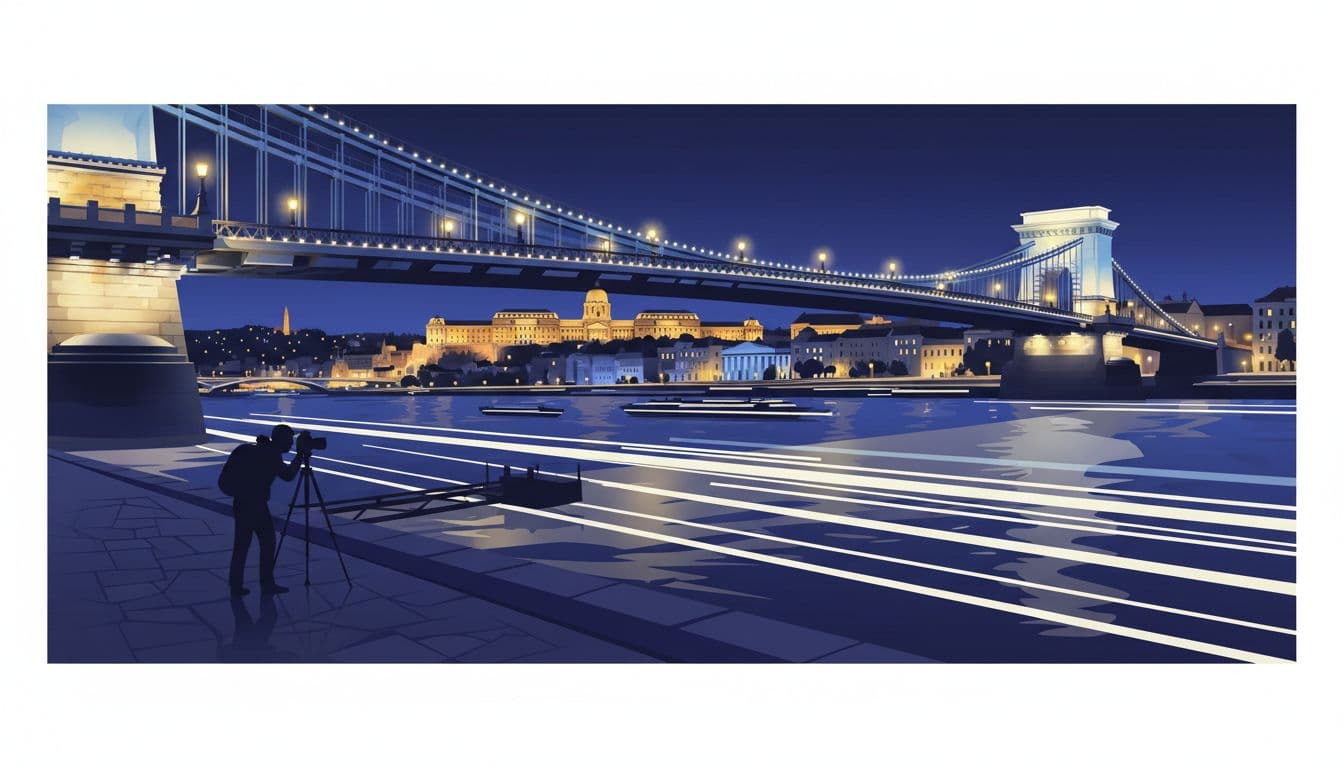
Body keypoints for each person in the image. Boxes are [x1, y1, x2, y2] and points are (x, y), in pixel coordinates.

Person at [223, 424, 306, 595]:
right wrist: (300, 456)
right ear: (282, 441)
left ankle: (235, 586)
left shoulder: (258, 449)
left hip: (240, 503)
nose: (291, 444)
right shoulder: (271, 454)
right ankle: (267, 584)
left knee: (241, 546)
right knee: (268, 544)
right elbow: (288, 476)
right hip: (256, 505)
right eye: (290, 441)